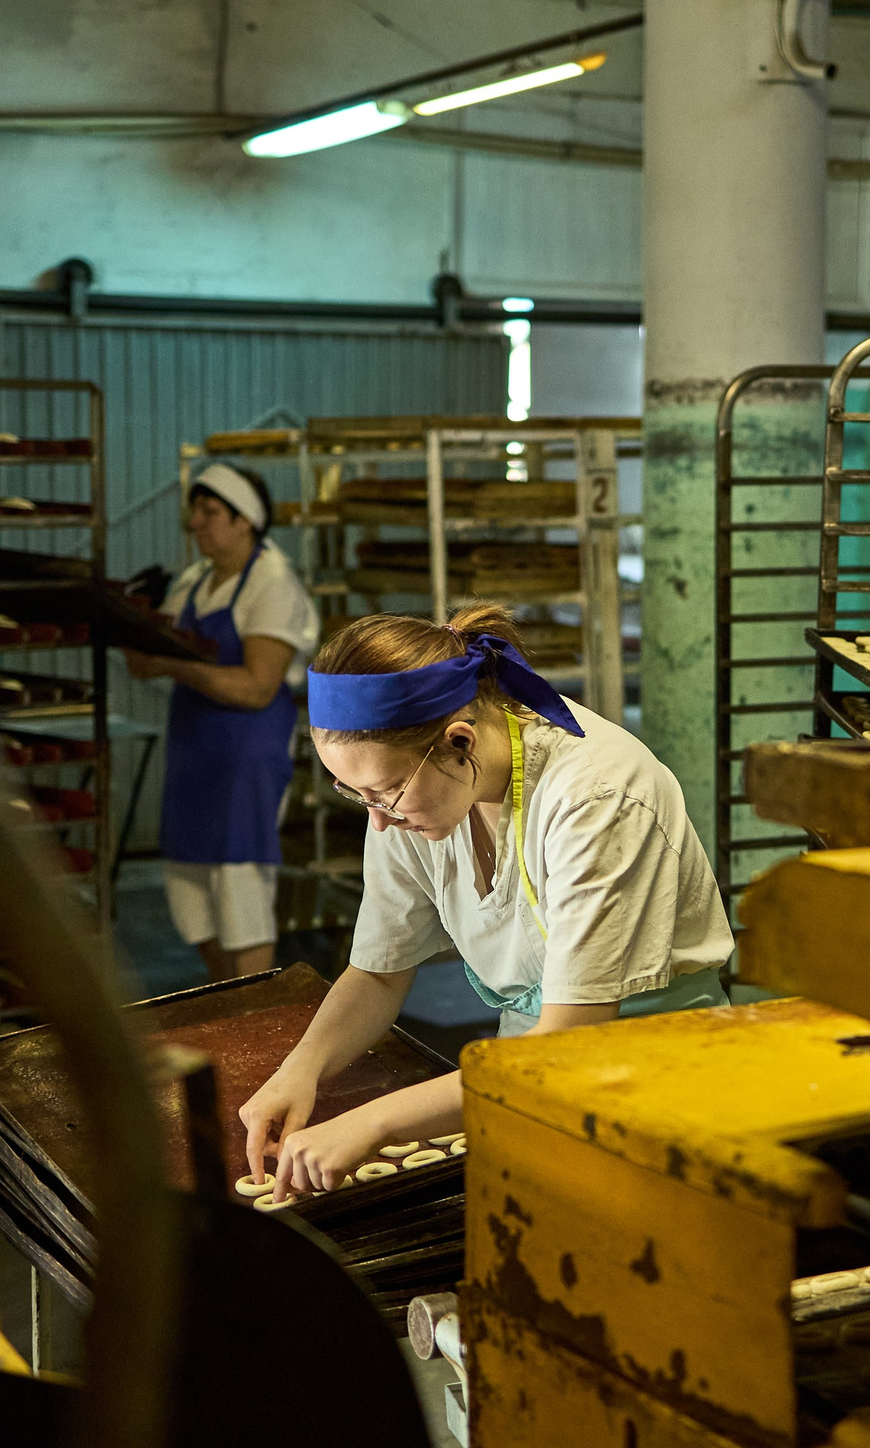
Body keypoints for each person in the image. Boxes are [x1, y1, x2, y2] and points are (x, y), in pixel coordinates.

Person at [238, 605, 732, 1195]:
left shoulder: (598, 799)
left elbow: (567, 1049)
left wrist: (375, 1122)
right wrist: (300, 1071)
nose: (379, 820)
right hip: (524, 1083)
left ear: (460, 741)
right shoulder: (412, 797)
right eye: (356, 793)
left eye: (387, 792)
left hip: (661, 1082)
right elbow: (378, 974)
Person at [122, 464, 320, 980]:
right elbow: (145, 662)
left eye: (210, 513)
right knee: (188, 889)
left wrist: (174, 663)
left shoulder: (272, 583)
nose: (196, 523)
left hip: (246, 754)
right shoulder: (194, 581)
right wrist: (125, 619)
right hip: (193, 750)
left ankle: (255, 1011)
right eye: (195, 511)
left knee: (240, 888)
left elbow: (258, 687)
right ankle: (230, 991)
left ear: (245, 521)